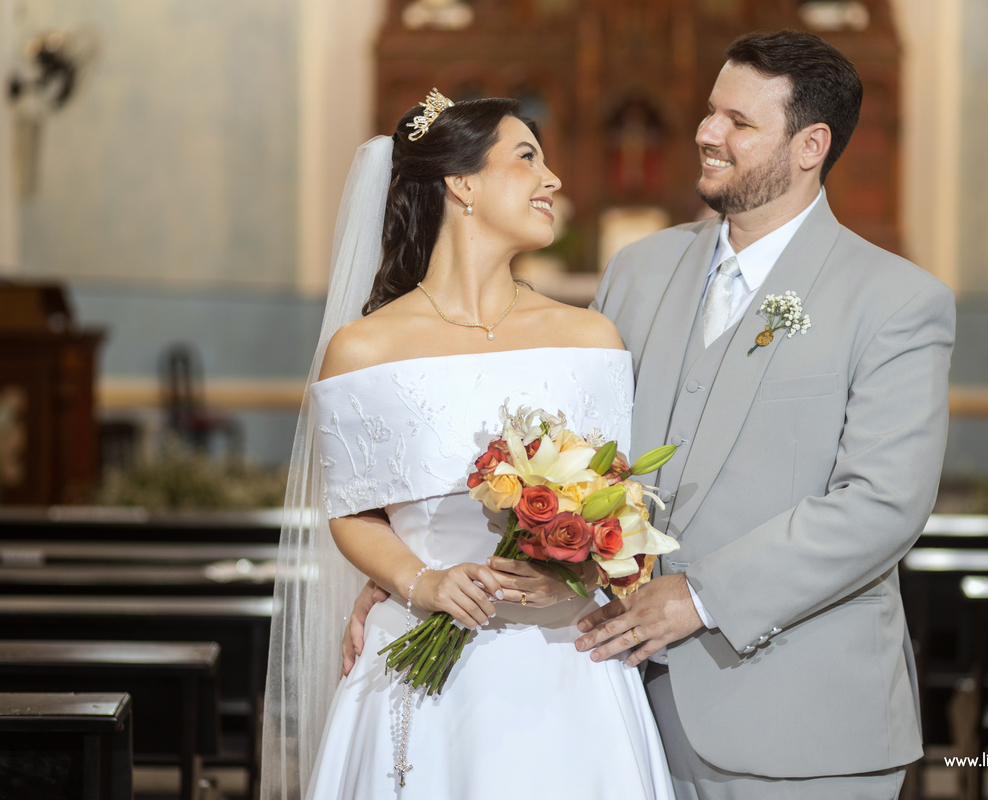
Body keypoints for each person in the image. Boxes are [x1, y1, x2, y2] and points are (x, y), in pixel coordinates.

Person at [343, 29, 955, 800]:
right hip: (622, 711)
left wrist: (700, 596)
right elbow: (568, 454)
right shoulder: (640, 271)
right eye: (709, 112)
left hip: (801, 722)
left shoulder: (895, 301)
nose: (706, 132)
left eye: (738, 121)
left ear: (810, 146)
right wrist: (413, 570)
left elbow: (883, 504)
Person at [260, 93, 675, 800]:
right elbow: (353, 511)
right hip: (421, 655)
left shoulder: (589, 339)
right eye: (527, 158)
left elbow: (618, 504)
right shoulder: (363, 349)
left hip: (563, 662)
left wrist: (574, 575)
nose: (554, 180)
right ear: (462, 183)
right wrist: (423, 582)